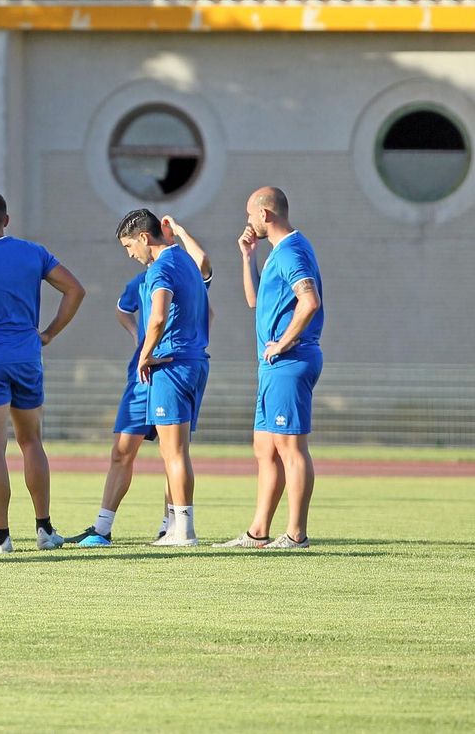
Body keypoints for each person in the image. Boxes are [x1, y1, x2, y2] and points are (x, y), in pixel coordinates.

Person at [0, 190, 84, 554]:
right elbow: (75, 289)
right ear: (6, 221)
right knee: (31, 442)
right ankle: (44, 530)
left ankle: (1, 538)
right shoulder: (33, 253)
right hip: (26, 359)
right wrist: (50, 332)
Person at [70, 215, 212, 547]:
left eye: (129, 246)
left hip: (169, 364)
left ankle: (181, 531)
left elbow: (159, 317)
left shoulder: (164, 267)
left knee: (173, 452)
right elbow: (203, 276)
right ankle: (114, 529)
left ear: (144, 238)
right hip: (174, 364)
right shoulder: (180, 264)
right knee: (156, 449)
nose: (130, 254)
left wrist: (146, 353)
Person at [217, 187, 323, 549]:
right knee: (264, 447)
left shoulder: (293, 250)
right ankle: (258, 532)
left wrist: (284, 342)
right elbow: (253, 300)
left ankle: (296, 534)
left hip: (289, 362)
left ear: (265, 215)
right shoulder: (277, 253)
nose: (248, 223)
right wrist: (248, 258)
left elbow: (309, 301)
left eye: (250, 216)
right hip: (272, 365)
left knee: (291, 447)